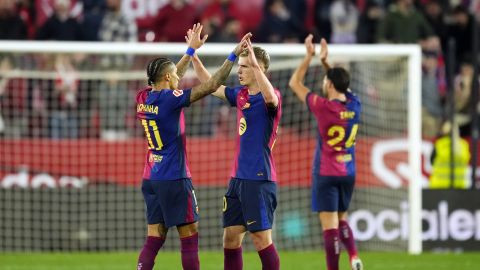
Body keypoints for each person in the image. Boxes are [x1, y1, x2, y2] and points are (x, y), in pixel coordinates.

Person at [135, 23, 251, 270]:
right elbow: (210, 87)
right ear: (167, 78)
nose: (178, 77)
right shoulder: (170, 100)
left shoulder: (143, 97)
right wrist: (232, 55)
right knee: (189, 236)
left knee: (154, 237)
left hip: (150, 176)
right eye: (174, 75)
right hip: (174, 177)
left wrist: (189, 52)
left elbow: (169, 77)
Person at [192, 39, 281, 270]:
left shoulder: (271, 97)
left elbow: (270, 98)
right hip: (238, 179)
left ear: (258, 69)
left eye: (245, 66)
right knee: (231, 238)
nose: (239, 71)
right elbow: (210, 84)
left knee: (261, 239)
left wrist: (256, 64)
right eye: (240, 66)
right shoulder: (240, 95)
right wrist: (193, 54)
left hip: (259, 178)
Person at [288, 34, 362, 270]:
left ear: (329, 84)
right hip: (348, 170)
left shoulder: (323, 107)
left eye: (325, 80)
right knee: (343, 218)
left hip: (326, 171)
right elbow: (342, 86)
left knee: (329, 226)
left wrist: (309, 57)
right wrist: (327, 63)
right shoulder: (355, 104)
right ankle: (354, 256)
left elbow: (294, 84)